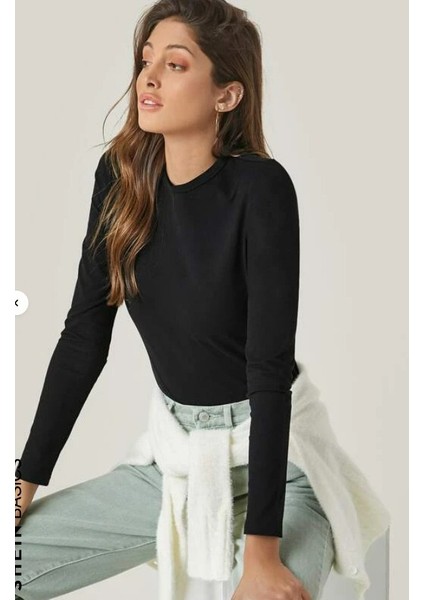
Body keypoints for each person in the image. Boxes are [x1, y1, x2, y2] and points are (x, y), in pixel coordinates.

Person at [15, 1, 336, 599]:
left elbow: (268, 370)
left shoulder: (260, 188)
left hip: (279, 464)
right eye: (146, 61)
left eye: (176, 64)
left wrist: (262, 556)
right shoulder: (120, 178)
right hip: (177, 459)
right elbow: (84, 337)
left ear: (227, 95)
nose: (150, 78)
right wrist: (20, 486)